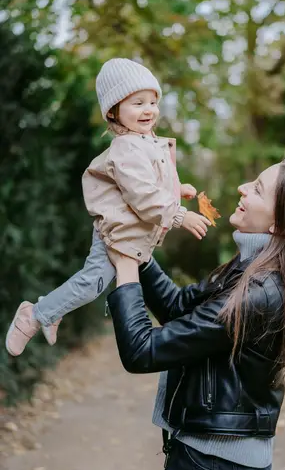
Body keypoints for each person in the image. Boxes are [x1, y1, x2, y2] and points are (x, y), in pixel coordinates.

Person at [105, 157, 285, 470]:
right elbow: (178, 308)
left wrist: (125, 267)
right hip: (207, 461)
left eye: (257, 189)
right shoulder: (247, 271)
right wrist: (138, 249)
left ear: (280, 224)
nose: (242, 189)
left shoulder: (259, 293)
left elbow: (143, 351)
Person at [6, 58, 210, 357]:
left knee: (93, 285)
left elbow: (148, 183)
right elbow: (142, 195)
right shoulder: (126, 147)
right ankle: (34, 315)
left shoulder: (145, 141)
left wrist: (179, 189)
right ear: (114, 110)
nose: (149, 110)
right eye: (137, 103)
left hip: (132, 233)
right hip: (116, 232)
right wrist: (180, 214)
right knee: (91, 284)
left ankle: (52, 309)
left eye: (153, 102)